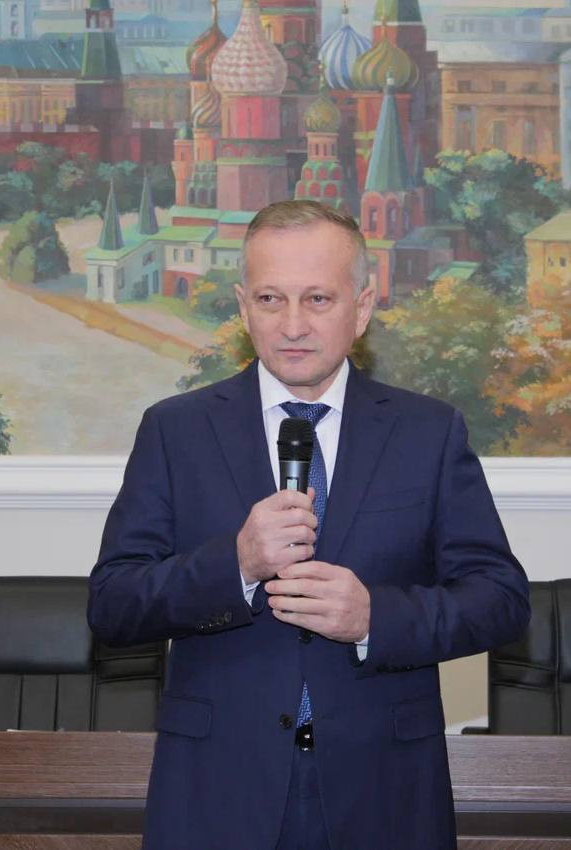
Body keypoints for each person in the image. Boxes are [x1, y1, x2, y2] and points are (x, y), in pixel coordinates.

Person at [87, 200, 530, 850]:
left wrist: (374, 618)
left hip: (384, 793)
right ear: (243, 307)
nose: (292, 325)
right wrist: (236, 565)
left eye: (318, 299)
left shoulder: (428, 432)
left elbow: (501, 600)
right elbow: (112, 604)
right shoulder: (176, 430)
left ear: (363, 306)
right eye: (271, 299)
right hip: (218, 792)